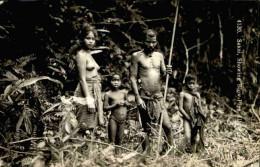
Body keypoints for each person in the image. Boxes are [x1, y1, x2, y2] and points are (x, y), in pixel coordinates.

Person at [130, 29, 173, 154]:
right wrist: (137, 98)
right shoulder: (136, 56)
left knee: (167, 126)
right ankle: (146, 155)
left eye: (153, 42)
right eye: (148, 42)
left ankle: (168, 152)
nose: (151, 45)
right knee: (146, 129)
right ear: (143, 41)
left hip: (158, 97)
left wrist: (168, 71)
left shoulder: (159, 56)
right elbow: (132, 77)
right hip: (145, 97)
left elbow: (164, 74)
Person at [74, 25, 104, 136]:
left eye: (93, 39)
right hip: (85, 91)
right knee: (83, 126)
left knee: (91, 126)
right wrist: (89, 99)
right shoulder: (81, 55)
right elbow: (82, 79)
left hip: (93, 89)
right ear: (82, 39)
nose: (91, 41)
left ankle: (88, 152)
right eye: (88, 38)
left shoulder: (89, 54)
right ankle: (77, 151)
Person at [103, 73, 131, 154]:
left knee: (119, 141)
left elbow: (129, 105)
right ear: (110, 82)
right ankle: (109, 157)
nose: (116, 82)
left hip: (122, 120)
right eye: (113, 80)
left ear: (121, 81)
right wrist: (115, 105)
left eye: (118, 80)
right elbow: (105, 108)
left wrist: (126, 103)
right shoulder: (108, 94)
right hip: (113, 119)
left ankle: (118, 157)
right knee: (112, 140)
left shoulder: (124, 92)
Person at [178, 74, 206, 153]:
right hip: (186, 118)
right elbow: (180, 108)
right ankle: (178, 153)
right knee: (187, 136)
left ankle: (192, 154)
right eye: (190, 83)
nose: (191, 85)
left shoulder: (197, 94)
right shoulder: (182, 94)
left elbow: (199, 107)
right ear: (186, 84)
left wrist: (201, 117)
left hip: (195, 118)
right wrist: (187, 117)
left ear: (196, 84)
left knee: (194, 137)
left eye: (193, 83)